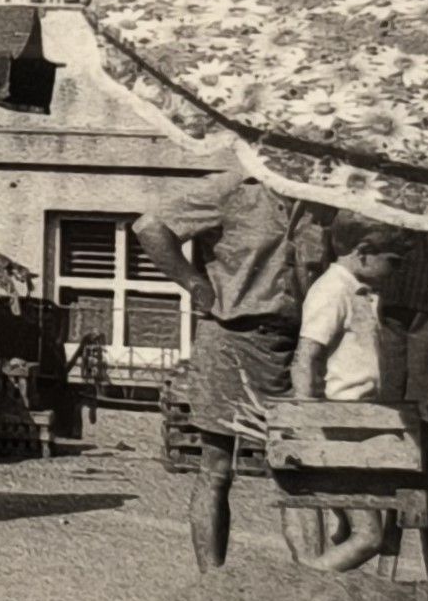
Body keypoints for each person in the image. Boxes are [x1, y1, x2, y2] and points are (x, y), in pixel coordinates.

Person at [136, 162, 325, 571]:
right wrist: (194, 283)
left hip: (295, 347)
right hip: (230, 339)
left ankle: (312, 579)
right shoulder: (232, 188)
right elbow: (150, 227)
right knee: (217, 466)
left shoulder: (322, 201)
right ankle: (212, 584)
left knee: (297, 468)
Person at [285, 221, 412, 571]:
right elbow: (306, 357)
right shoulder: (333, 291)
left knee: (345, 530)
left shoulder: (360, 291)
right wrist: (308, 421)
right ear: (364, 253)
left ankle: (327, 589)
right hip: (338, 425)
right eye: (393, 261)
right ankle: (305, 586)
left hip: (357, 424)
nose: (397, 270)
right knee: (369, 536)